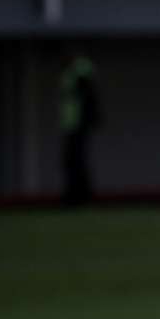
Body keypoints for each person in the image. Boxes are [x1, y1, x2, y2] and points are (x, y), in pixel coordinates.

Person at [60, 51, 101, 206]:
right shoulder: (73, 70)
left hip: (79, 123)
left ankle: (79, 196)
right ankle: (77, 194)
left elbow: (89, 94)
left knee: (75, 160)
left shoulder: (80, 69)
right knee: (72, 160)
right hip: (72, 123)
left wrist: (90, 118)